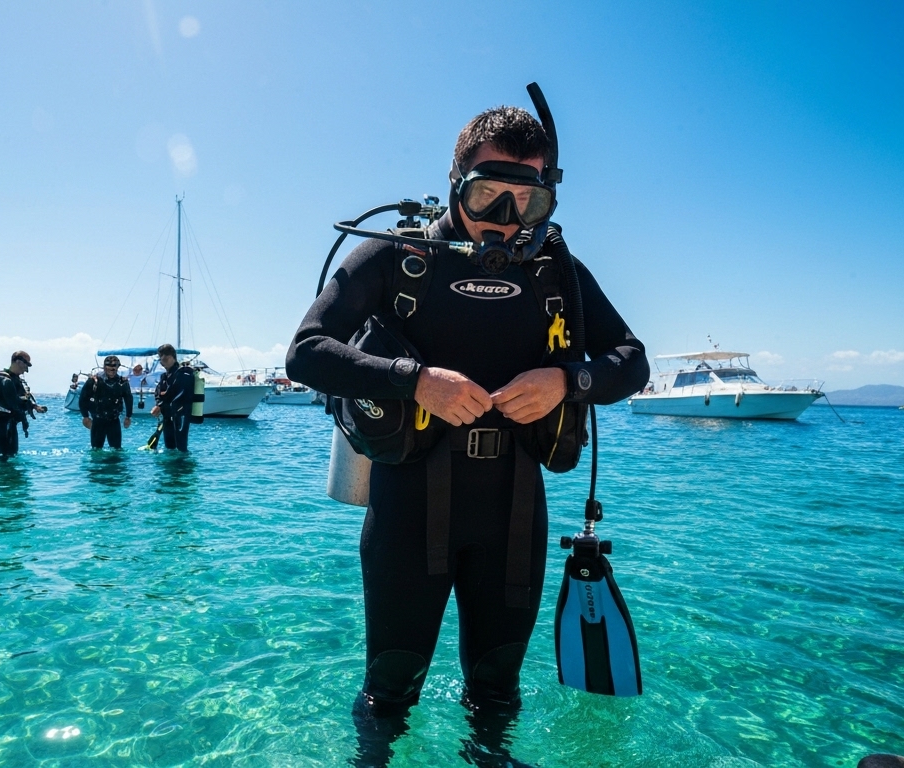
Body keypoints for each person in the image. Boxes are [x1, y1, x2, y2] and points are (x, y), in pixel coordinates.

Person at [286, 103, 648, 763]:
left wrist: (567, 381)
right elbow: (306, 352)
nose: (506, 220)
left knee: (497, 691)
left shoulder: (555, 272)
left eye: (527, 201)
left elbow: (632, 361)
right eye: (488, 196)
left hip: (514, 512)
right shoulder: (397, 258)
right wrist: (414, 381)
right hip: (408, 508)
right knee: (390, 691)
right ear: (455, 180)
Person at [0, 350, 47, 460]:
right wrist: (25, 405)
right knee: (5, 454)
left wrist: (34, 406)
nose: (26, 369)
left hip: (10, 421)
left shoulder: (15, 379)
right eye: (26, 364)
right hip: (1, 421)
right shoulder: (2, 379)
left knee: (11, 453)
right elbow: (13, 402)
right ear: (18, 362)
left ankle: (6, 470)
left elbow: (23, 395)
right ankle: (1, 470)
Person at [79, 355, 134, 449]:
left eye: (114, 366)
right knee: (96, 450)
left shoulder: (122, 382)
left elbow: (128, 399)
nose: (112, 369)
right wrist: (85, 416)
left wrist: (128, 416)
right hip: (98, 420)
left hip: (114, 420)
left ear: (118, 367)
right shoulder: (94, 381)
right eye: (109, 366)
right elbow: (83, 398)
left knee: (116, 450)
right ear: (104, 367)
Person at [150, 343, 196, 452]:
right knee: (170, 447)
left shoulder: (184, 373)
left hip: (180, 416)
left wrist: (160, 405)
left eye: (164, 358)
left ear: (172, 357)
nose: (162, 361)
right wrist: (159, 404)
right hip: (167, 416)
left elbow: (178, 393)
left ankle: (181, 463)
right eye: (160, 359)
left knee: (181, 448)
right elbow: (158, 392)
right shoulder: (164, 376)